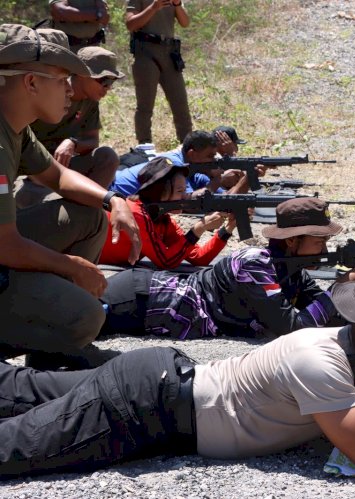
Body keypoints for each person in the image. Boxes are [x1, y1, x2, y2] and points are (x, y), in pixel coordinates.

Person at [0, 261, 355, 480]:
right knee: (13, 450)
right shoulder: (320, 360)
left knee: (14, 387)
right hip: (145, 409)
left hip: (159, 382)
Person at [0, 24, 140, 369]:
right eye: (62, 79)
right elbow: (5, 246)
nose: (69, 90)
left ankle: (49, 341)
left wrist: (113, 201)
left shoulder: (15, 126)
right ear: (31, 82)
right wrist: (72, 268)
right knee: (85, 316)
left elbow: (58, 175)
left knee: (90, 217)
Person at [99, 197, 347, 339]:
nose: (324, 250)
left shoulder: (292, 271)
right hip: (140, 299)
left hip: (148, 306)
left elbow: (328, 314)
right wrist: (338, 288)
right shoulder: (256, 264)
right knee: (69, 323)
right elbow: (293, 328)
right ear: (292, 241)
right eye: (319, 242)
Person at [15, 46, 125, 209]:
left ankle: (88, 208)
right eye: (104, 81)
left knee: (108, 156)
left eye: (111, 82)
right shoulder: (49, 93)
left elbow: (93, 140)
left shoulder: (90, 101)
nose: (107, 88)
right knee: (52, 205)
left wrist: (72, 142)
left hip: (62, 168)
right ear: (81, 74)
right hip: (30, 171)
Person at [99, 157, 236, 269]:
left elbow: (198, 257)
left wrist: (227, 229)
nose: (185, 196)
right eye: (180, 191)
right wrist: (199, 228)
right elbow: (166, 262)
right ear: (160, 192)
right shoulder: (136, 214)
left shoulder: (162, 219)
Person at [126, 0, 192, 144]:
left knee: (181, 104)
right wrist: (154, 7)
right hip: (146, 52)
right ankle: (144, 147)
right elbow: (131, 24)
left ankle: (188, 147)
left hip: (169, 53)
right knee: (145, 106)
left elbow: (185, 22)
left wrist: (178, 5)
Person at [111, 130, 247, 196]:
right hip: (111, 191)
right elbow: (188, 201)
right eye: (210, 156)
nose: (214, 160)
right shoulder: (173, 165)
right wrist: (216, 180)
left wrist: (244, 180)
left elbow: (220, 196)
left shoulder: (193, 166)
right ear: (192, 154)